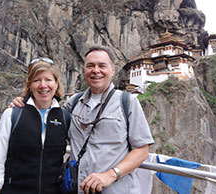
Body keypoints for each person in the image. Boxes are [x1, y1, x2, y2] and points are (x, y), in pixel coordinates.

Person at [9, 46, 155, 194]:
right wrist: (25, 102)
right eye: (90, 66)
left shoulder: (127, 102)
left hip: (116, 189)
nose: (96, 70)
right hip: (78, 189)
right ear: (84, 70)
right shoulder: (73, 103)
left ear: (112, 70)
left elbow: (142, 150)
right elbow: (48, 119)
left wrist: (110, 175)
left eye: (102, 65)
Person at [0, 58, 69, 194]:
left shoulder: (65, 118)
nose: (43, 85)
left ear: (56, 84)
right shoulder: (13, 114)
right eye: (36, 80)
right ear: (29, 85)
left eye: (48, 80)